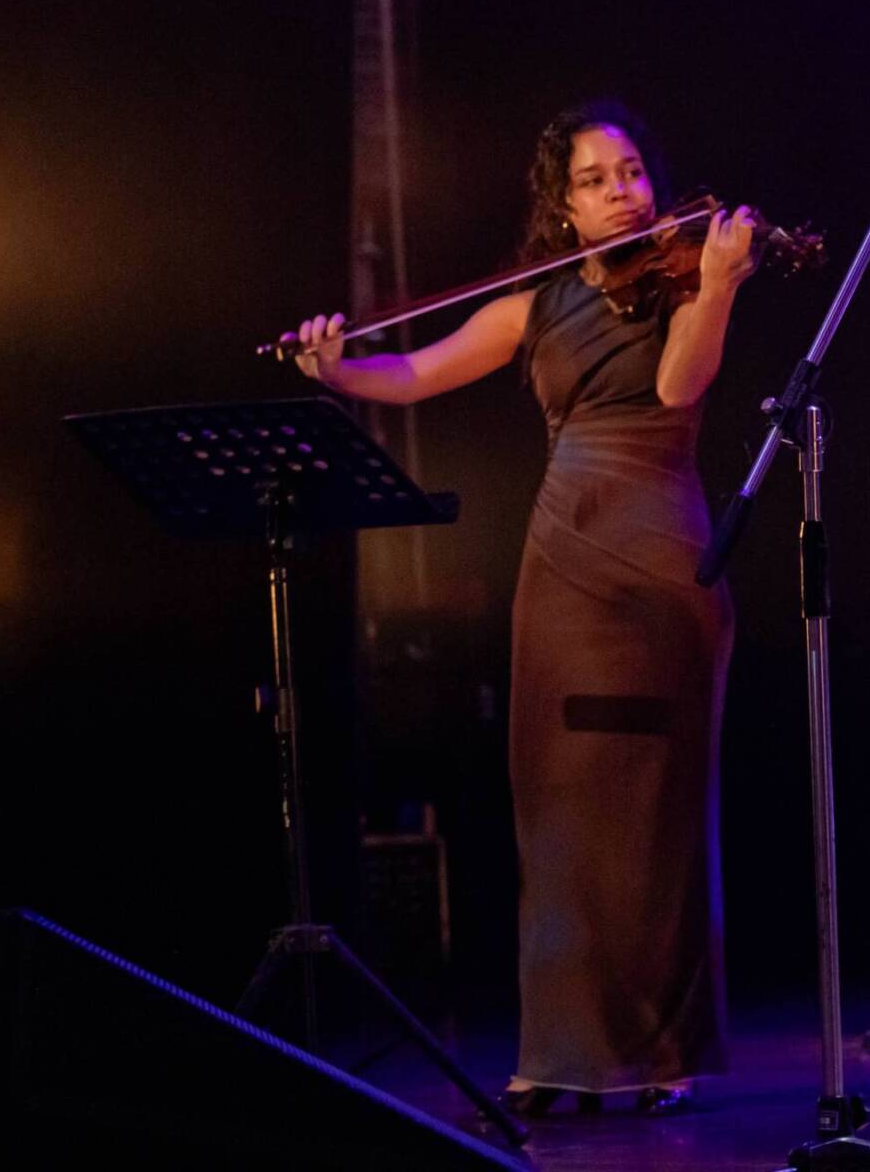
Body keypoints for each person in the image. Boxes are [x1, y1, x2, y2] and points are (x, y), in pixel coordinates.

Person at [280, 101, 755, 1116]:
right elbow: (413, 373)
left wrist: (716, 285)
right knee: (559, 814)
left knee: (653, 821)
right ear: (562, 206)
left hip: (661, 559)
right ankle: (558, 1054)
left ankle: (658, 1053)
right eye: (594, 179)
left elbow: (679, 388)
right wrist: (336, 368)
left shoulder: (684, 278)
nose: (621, 191)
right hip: (564, 563)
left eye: (632, 171)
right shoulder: (535, 304)